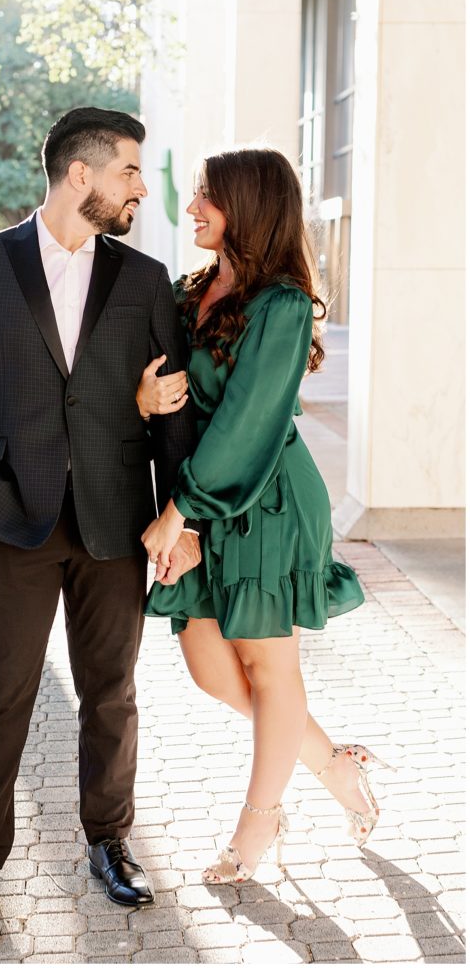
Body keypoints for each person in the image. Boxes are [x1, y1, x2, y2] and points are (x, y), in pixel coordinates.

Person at [0, 107, 202, 945]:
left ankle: (110, 843)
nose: (139, 188)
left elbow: (170, 410)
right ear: (81, 174)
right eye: (128, 171)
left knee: (111, 694)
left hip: (117, 522)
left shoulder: (145, 279)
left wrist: (177, 518)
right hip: (13, 521)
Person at [138, 147, 388, 885]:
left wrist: (180, 513)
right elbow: (169, 403)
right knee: (211, 669)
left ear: (247, 206)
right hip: (201, 501)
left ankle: (258, 822)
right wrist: (144, 407)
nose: (191, 208)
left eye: (206, 196)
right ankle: (333, 765)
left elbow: (246, 422)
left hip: (267, 500)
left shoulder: (282, 306)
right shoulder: (189, 292)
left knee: (269, 668)